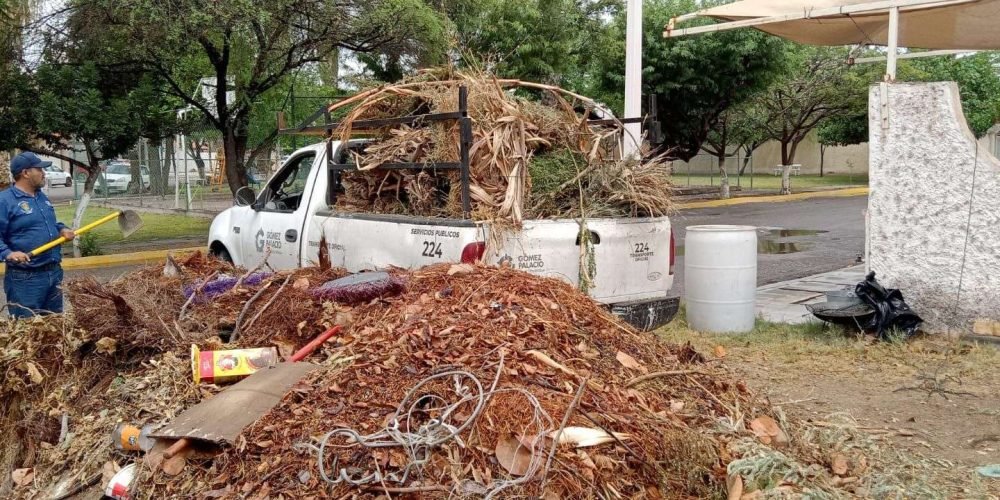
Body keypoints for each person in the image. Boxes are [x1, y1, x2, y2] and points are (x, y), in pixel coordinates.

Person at [0, 152, 76, 317]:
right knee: (27, 333)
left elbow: (49, 224)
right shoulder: (5, 201)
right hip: (25, 279)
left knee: (53, 331)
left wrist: (62, 229)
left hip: (53, 273)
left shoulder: (41, 197)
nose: (44, 173)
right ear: (25, 173)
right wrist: (9, 253)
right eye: (39, 169)